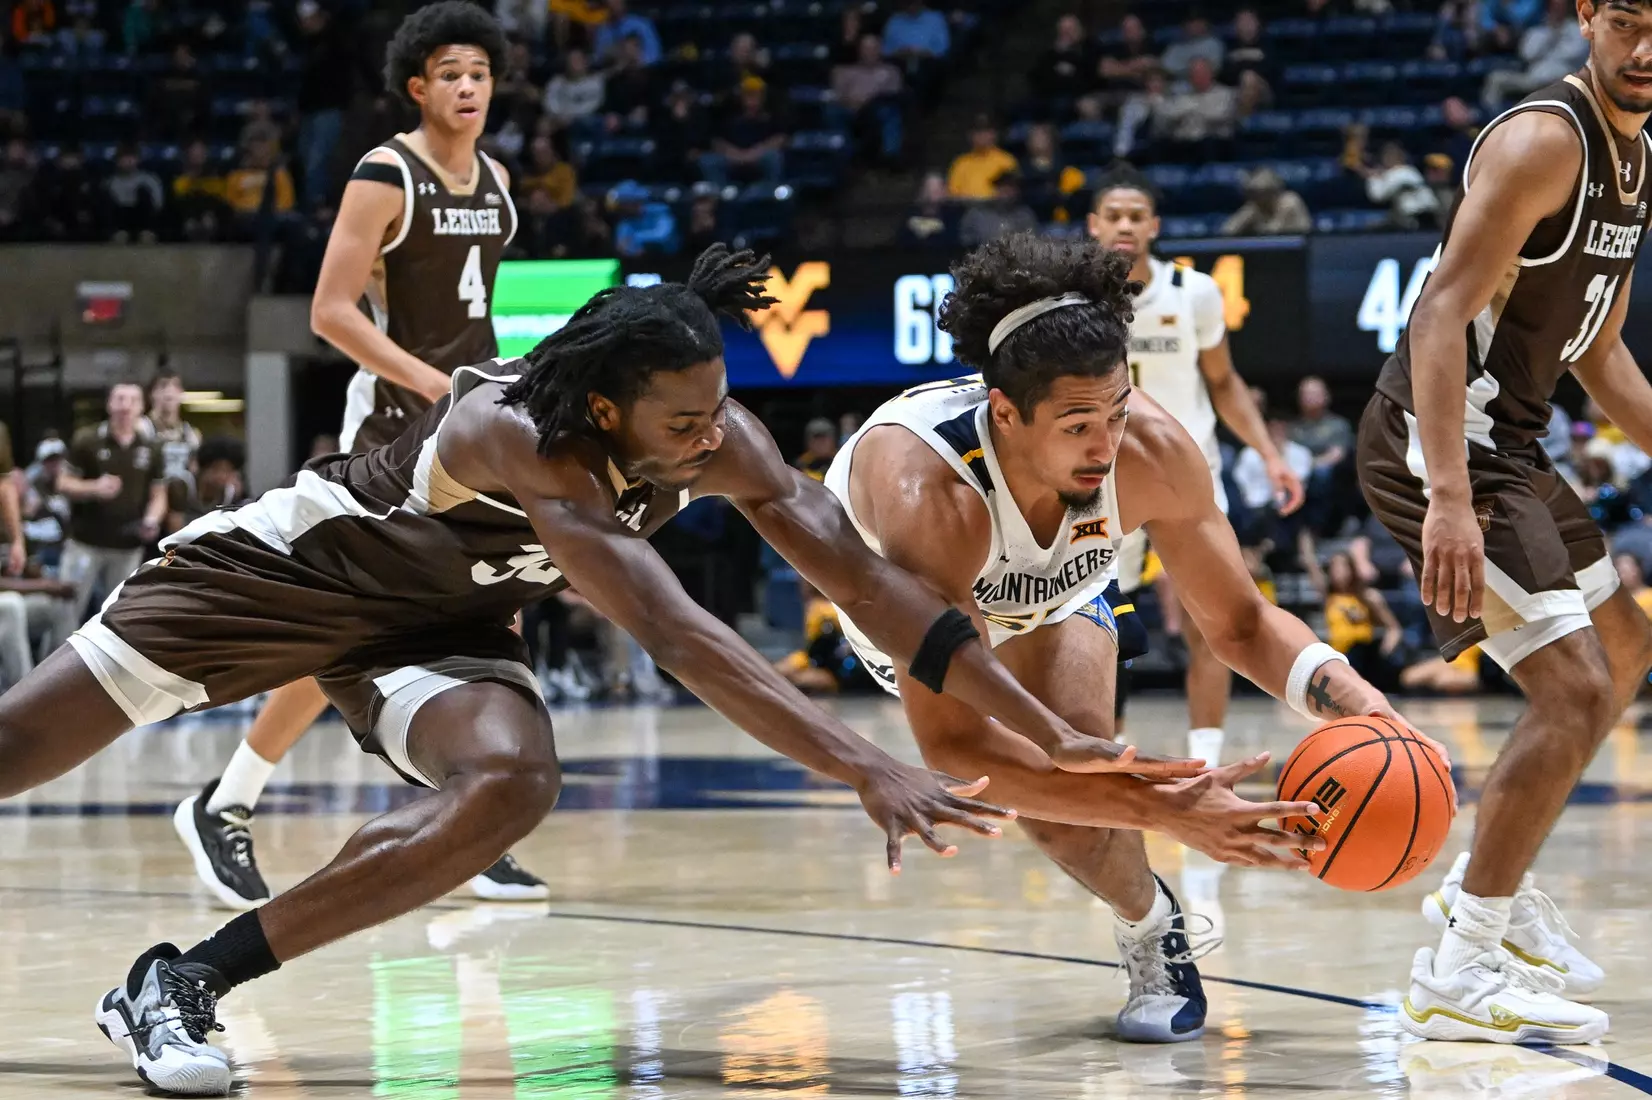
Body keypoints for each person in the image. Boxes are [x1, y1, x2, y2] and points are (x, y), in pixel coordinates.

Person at [0, 246, 1210, 1093]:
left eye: (716, 410)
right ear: (600, 403)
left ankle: (180, 980)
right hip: (266, 583)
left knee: (510, 783)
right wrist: (860, 763)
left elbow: (869, 583)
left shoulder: (713, 435)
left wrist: (1045, 732)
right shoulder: (522, 437)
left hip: (433, 632)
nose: (706, 439)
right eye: (678, 422)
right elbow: (679, 635)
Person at [824, 232, 1420, 1046]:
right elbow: (958, 751)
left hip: (1060, 592)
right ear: (1006, 412)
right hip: (920, 626)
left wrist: (1364, 706)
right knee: (1063, 798)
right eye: (1077, 425)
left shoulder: (1148, 448)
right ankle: (1151, 916)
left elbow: (1240, 623)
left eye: (1117, 407)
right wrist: (1172, 815)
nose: (1105, 446)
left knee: (1080, 797)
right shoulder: (928, 492)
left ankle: (1150, 936)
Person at [171, 2, 536, 914]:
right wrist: (433, 387)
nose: (467, 86)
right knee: (347, 630)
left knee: (498, 608)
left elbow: (474, 313)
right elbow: (330, 312)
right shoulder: (386, 172)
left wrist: (488, 391)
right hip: (392, 426)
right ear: (417, 86)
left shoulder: (496, 179)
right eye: (450, 72)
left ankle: (474, 809)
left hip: (466, 419)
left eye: (479, 73)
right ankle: (225, 803)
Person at [1356, 3, 1652, 1044]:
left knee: (1622, 645)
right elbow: (1437, 311)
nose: (1644, 48)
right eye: (1625, 20)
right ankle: (1459, 964)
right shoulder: (1543, 141)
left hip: (1508, 448)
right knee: (1568, 684)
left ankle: (1487, 887)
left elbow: (1597, 347)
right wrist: (1443, 492)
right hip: (1437, 445)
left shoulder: (1635, 159)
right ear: (1584, 16)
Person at [1087, 167, 1304, 764]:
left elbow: (1225, 383)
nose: (1126, 225)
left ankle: (1206, 760)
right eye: (1115, 215)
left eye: (1137, 215)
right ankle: (1104, 750)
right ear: (1094, 226)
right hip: (1106, 481)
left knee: (1218, 617)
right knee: (1103, 622)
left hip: (1191, 475)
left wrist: (1268, 454)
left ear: (1154, 225)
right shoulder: (1077, 300)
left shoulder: (1196, 293)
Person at [57, 381, 167, 622]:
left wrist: (152, 519)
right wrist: (93, 487)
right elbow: (63, 483)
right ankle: (55, 657)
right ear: (109, 404)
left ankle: (108, 661)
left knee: (118, 614)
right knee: (67, 608)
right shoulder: (87, 439)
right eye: (119, 399)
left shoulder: (152, 446)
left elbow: (158, 494)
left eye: (132, 400)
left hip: (127, 545)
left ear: (142, 407)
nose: (125, 407)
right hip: (85, 542)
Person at [144, 370, 202, 485]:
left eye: (175, 386)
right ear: (152, 393)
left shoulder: (192, 434)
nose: (169, 392)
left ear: (182, 393)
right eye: (163, 385)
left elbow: (196, 471)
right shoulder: (142, 428)